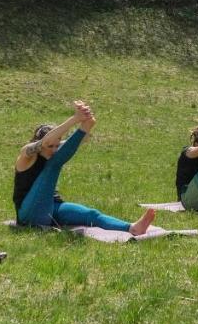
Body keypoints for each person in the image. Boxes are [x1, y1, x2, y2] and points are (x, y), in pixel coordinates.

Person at [14, 100, 156, 235]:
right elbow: (46, 142)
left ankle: (132, 228)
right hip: (29, 215)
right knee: (53, 165)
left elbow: (83, 139)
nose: (54, 150)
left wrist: (87, 120)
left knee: (91, 214)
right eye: (51, 146)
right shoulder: (27, 154)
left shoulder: (54, 152)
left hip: (52, 207)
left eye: (57, 146)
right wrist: (75, 119)